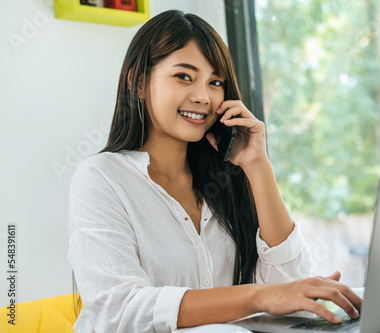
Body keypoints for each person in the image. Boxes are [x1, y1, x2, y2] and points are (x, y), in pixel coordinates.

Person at [68, 9, 362, 333]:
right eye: (184, 76)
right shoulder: (101, 177)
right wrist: (255, 296)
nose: (202, 97)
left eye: (215, 82)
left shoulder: (227, 176)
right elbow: (121, 309)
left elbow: (289, 286)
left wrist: (258, 166)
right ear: (139, 84)